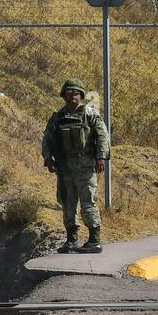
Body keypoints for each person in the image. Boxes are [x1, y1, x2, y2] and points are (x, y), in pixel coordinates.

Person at [42, 79, 110, 254]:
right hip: (64, 168)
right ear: (64, 96)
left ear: (81, 96)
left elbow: (102, 135)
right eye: (69, 93)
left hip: (85, 166)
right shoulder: (57, 117)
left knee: (88, 202)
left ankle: (94, 240)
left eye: (76, 93)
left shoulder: (90, 114)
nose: (72, 96)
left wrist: (101, 156)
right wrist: (48, 158)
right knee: (68, 203)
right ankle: (71, 239)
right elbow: (47, 138)